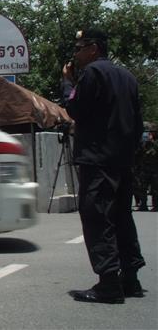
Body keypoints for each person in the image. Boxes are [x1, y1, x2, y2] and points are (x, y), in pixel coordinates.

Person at [62, 28, 145, 304]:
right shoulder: (128, 77)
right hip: (122, 160)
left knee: (98, 216)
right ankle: (130, 278)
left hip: (97, 160)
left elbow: (74, 109)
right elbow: (136, 123)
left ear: (94, 48)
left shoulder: (92, 74)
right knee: (122, 216)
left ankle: (108, 283)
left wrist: (67, 83)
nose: (76, 53)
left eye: (79, 47)